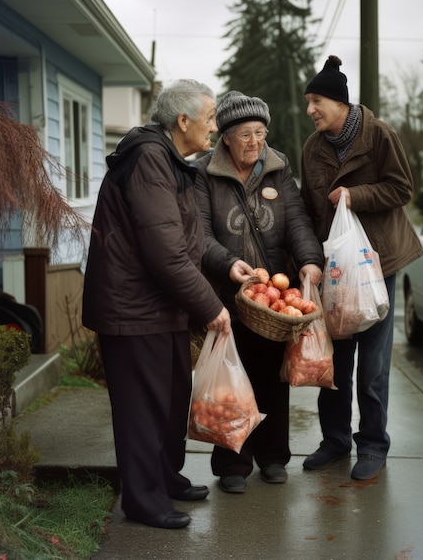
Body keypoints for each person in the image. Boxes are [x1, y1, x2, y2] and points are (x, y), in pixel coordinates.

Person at [82, 79, 231, 530]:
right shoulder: (150, 160)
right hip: (133, 311)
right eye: (209, 119)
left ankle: (165, 478)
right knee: (142, 409)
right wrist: (212, 307)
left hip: (159, 308)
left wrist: (230, 267)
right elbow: (164, 251)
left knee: (170, 398)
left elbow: (187, 237)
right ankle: (143, 501)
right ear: (182, 121)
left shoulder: (172, 160)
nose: (215, 127)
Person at [300, 55, 423, 480]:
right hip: (335, 269)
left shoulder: (379, 135)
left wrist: (354, 195)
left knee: (372, 363)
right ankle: (334, 441)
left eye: (316, 101)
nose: (310, 110)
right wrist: (308, 264)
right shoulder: (312, 149)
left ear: (339, 102)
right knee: (334, 360)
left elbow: (401, 188)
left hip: (377, 263)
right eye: (308, 103)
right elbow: (311, 212)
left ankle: (372, 445)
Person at [194, 91, 324, 494]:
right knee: (231, 378)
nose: (255, 142)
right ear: (227, 137)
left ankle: (272, 457)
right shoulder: (203, 173)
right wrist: (226, 263)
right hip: (226, 294)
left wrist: (309, 259)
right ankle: (232, 462)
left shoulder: (278, 169)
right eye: (246, 134)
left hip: (273, 296)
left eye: (260, 133)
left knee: (271, 375)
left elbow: (297, 221)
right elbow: (197, 233)